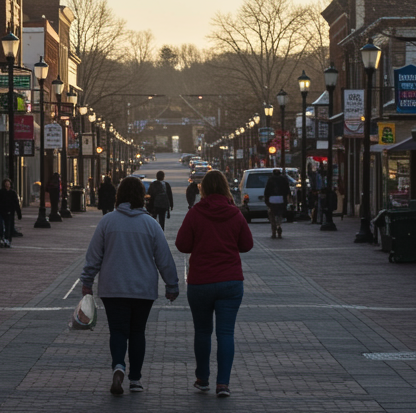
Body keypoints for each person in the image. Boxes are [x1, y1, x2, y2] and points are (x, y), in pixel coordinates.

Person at [80, 176, 180, 395]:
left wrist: (87, 282)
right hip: (142, 289)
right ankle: (135, 379)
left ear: (119, 196)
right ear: (141, 198)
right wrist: (171, 285)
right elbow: (164, 259)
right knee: (137, 332)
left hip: (113, 287)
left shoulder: (107, 222)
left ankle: (118, 367)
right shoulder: (151, 224)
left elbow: (93, 256)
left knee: (117, 330)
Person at [175, 170, 253, 398]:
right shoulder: (235, 214)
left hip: (201, 282)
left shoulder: (195, 213)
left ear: (204, 189)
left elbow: (182, 245)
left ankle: (202, 378)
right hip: (230, 280)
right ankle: (223, 384)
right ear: (226, 187)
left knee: (202, 331)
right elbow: (247, 245)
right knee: (226, 333)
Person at [0, 178, 22, 248]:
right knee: (1, 226)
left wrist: (19, 213)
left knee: (9, 226)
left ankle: (7, 240)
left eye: (8, 184)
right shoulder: (1, 192)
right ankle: (2, 239)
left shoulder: (13, 193)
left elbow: (16, 204)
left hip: (9, 213)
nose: (7, 185)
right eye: (6, 184)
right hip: (1, 212)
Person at [263, 168, 289, 239]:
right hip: (281, 199)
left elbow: (266, 191)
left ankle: (273, 230)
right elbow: (287, 190)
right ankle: (279, 226)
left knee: (272, 214)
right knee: (279, 214)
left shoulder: (270, 180)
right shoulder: (283, 179)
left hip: (272, 199)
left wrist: (266, 200)